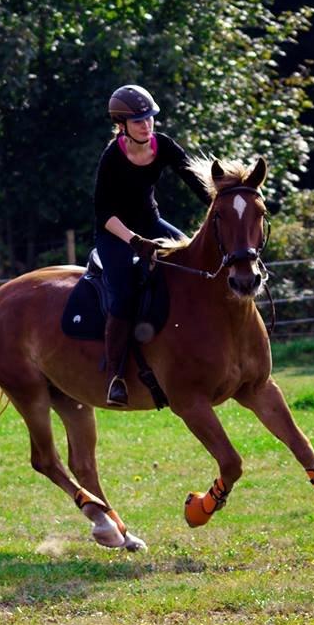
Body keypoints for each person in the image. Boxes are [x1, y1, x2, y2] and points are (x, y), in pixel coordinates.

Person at [93, 84, 212, 407]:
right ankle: (115, 376)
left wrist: (226, 202)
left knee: (191, 265)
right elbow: (103, 213)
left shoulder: (165, 146)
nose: (146, 125)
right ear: (122, 126)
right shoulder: (112, 157)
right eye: (138, 121)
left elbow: (198, 184)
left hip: (151, 224)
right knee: (124, 294)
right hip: (115, 234)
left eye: (149, 119)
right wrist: (134, 240)